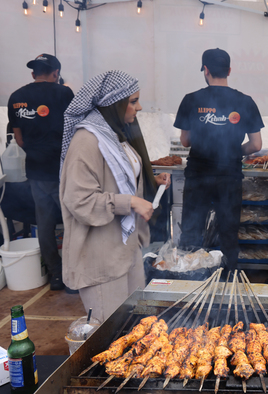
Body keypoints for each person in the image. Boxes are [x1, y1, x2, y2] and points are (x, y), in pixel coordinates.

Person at [60, 70, 162, 322]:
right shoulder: (86, 141)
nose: (139, 108)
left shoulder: (115, 137)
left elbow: (120, 179)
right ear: (114, 105)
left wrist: (152, 181)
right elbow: (79, 200)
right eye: (133, 101)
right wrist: (130, 203)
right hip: (101, 259)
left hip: (127, 251)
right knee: (111, 333)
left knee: (137, 327)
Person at [174, 48, 263, 272]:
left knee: (192, 231)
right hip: (229, 176)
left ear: (205, 70)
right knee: (228, 232)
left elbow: (185, 141)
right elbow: (256, 145)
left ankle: (187, 280)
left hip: (197, 176)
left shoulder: (191, 100)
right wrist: (233, 151)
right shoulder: (245, 101)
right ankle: (228, 280)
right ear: (229, 70)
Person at [7, 54, 74, 291]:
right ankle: (74, 275)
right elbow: (76, 130)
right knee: (72, 223)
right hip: (64, 170)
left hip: (36, 172)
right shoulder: (64, 94)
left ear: (33, 73)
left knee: (44, 224)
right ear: (56, 73)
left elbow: (19, 139)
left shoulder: (16, 97)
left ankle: (56, 275)